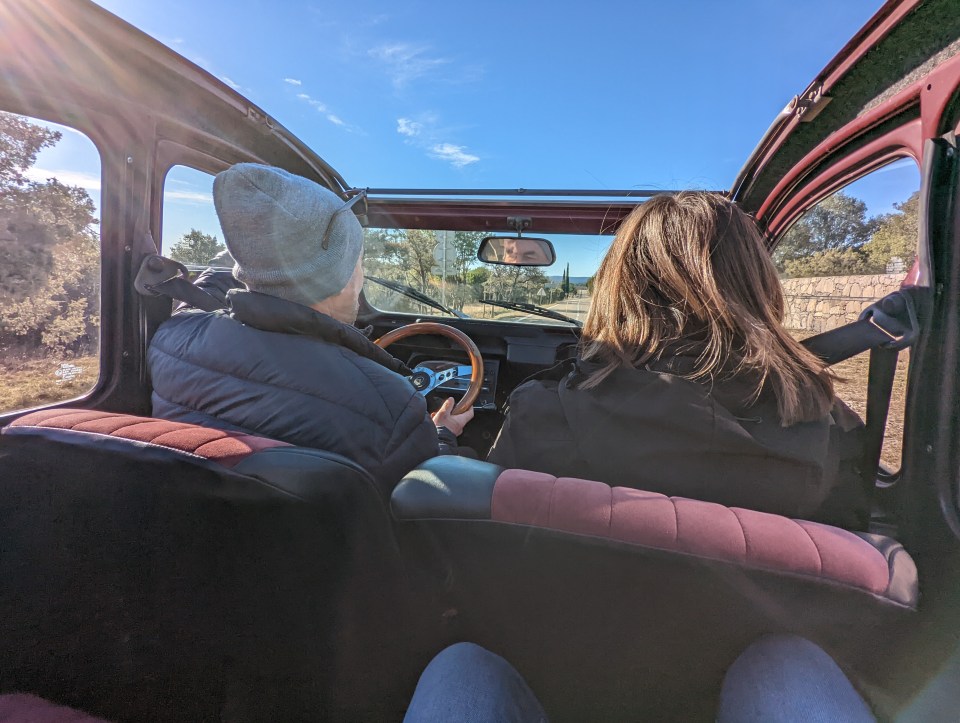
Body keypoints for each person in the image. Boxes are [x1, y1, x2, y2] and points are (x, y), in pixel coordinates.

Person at [487, 191, 865, 528]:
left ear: (616, 287)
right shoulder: (826, 426)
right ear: (756, 283)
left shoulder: (540, 414)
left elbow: (485, 529)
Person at [148, 163, 473, 489]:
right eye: (358, 263)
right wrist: (442, 434)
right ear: (340, 280)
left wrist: (254, 262)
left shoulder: (172, 337)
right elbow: (422, 498)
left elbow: (212, 286)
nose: (360, 276)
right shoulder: (390, 406)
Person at [402, 637, 877, 722]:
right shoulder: (816, 439)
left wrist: (445, 441)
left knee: (461, 668)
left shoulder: (539, 417)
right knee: (785, 662)